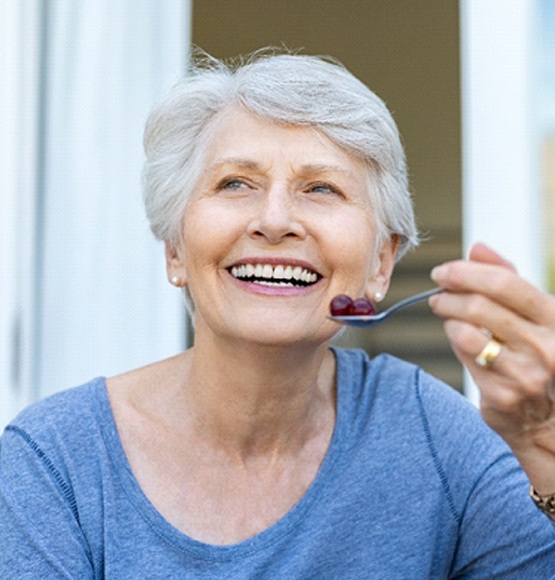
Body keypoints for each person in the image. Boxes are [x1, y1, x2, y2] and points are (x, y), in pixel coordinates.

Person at [1, 49, 554, 578]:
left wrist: (543, 451)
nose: (274, 219)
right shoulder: (54, 462)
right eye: (235, 183)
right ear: (175, 250)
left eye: (321, 188)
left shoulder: (434, 435)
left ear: (381, 264)